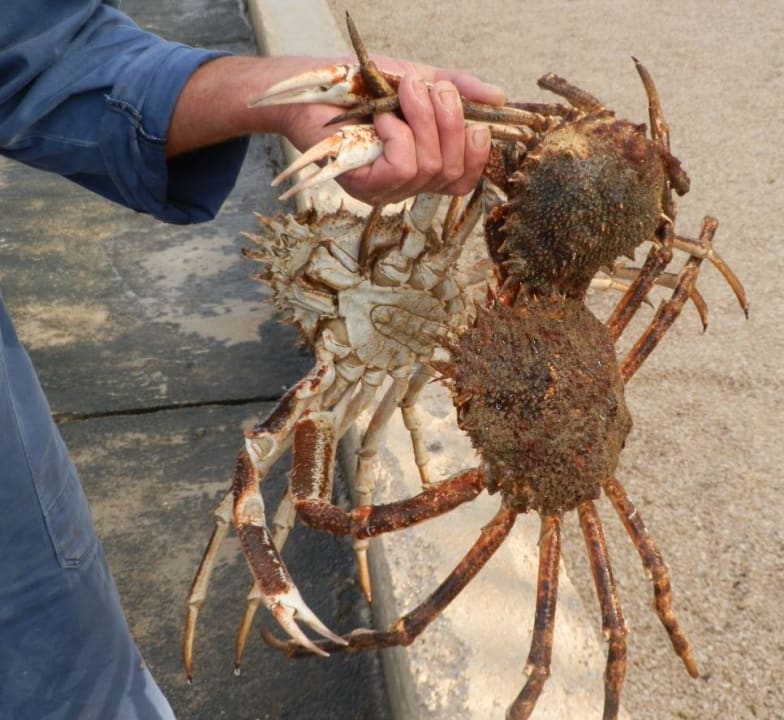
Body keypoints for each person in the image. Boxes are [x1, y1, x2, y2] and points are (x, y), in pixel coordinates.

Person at [0, 2, 504, 718]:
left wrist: (305, 91)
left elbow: (44, 57)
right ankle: (271, 597)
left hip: (31, 619)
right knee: (266, 489)